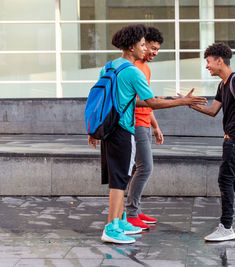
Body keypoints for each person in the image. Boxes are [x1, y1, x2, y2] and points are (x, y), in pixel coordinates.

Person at [88, 24, 207, 244]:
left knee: (120, 176)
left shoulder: (109, 66)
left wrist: (93, 129)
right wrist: (182, 101)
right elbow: (151, 102)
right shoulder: (133, 71)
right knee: (119, 180)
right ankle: (111, 228)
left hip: (108, 128)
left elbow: (112, 100)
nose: (146, 49)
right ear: (132, 46)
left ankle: (121, 219)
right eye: (142, 45)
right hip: (123, 130)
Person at [190, 42, 235, 241]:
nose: (207, 66)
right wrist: (189, 103)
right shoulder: (223, 84)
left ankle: (226, 227)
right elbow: (213, 111)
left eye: (209, 62)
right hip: (231, 140)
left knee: (225, 180)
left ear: (219, 60)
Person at [125, 27, 164, 229]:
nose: (154, 53)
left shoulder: (146, 68)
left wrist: (155, 126)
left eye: (157, 50)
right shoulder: (134, 67)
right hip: (135, 124)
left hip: (145, 123)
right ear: (142, 44)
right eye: (152, 48)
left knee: (137, 168)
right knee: (145, 167)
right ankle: (131, 213)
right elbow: (141, 101)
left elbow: (148, 101)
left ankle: (134, 210)